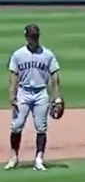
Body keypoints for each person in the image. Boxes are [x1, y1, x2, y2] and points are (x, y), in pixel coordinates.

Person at [6, 24, 62, 171]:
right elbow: (13, 75)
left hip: (40, 92)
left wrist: (57, 97)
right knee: (16, 126)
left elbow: (54, 75)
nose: (33, 39)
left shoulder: (48, 55)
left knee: (41, 128)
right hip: (23, 92)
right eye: (31, 36)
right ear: (26, 37)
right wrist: (12, 95)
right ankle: (14, 157)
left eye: (36, 36)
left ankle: (39, 159)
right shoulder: (18, 54)